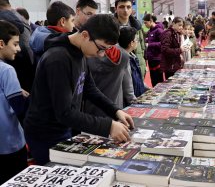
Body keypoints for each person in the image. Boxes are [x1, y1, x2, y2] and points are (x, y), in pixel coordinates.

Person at [24, 14, 134, 165]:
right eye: (101, 48)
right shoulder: (58, 59)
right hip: (45, 133)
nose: (101, 55)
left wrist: (115, 111)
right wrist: (108, 126)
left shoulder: (80, 52)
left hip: (63, 127)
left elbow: (90, 88)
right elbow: (65, 112)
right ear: (84, 35)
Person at [0, 20, 30, 184]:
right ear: (1, 43)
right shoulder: (7, 70)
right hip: (11, 145)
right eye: (16, 44)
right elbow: (20, 108)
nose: (18, 49)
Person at [114, 0, 146, 79]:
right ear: (115, 9)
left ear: (132, 9)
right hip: (119, 71)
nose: (125, 10)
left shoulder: (137, 26)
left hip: (137, 69)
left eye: (128, 7)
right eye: (121, 7)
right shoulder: (110, 27)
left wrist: (143, 65)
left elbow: (142, 48)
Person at [118, 27, 146, 97]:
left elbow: (138, 79)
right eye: (136, 40)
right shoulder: (124, 59)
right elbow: (128, 87)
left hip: (137, 95)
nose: (137, 42)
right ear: (131, 43)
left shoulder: (132, 56)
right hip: (132, 100)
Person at [143, 13, 164, 87]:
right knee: (153, 81)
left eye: (146, 23)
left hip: (157, 59)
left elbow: (162, 44)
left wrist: (149, 45)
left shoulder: (159, 31)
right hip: (151, 59)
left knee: (159, 81)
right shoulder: (149, 32)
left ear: (151, 21)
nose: (145, 24)